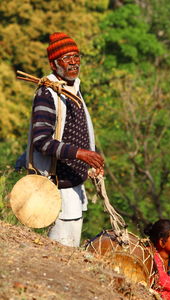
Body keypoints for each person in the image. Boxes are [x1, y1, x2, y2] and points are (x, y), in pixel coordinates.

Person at [26, 32, 104, 247]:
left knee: (70, 249)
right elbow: (41, 141)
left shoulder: (74, 89)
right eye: (66, 58)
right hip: (57, 189)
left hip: (75, 186)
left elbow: (80, 131)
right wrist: (80, 154)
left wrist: (93, 160)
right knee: (61, 253)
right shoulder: (47, 93)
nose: (73, 62)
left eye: (76, 56)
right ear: (54, 64)